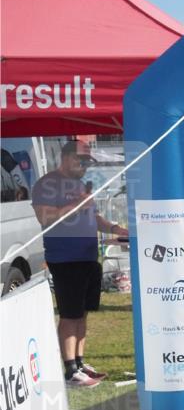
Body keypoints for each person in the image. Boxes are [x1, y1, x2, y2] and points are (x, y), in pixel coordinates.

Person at [31, 141, 129, 387]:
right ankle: (69, 370)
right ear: (65, 158)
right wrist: (76, 205)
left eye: (88, 162)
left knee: (82, 314)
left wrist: (116, 229)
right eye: (81, 160)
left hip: (88, 257)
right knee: (69, 314)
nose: (85, 166)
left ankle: (80, 362)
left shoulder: (80, 185)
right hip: (65, 259)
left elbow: (93, 216)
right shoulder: (46, 184)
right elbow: (44, 216)